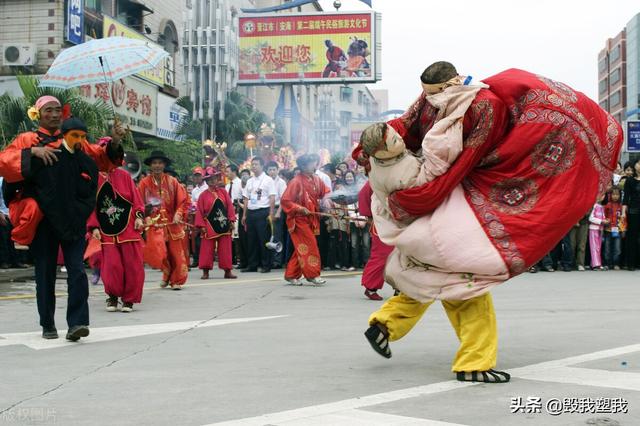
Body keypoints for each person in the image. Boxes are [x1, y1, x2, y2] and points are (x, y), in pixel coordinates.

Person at [356, 62, 622, 383]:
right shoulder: (475, 104)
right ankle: (474, 362)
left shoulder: (475, 105)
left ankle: (385, 323)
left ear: (451, 82)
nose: (430, 101)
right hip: (451, 207)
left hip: (428, 209)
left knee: (428, 274)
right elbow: (460, 160)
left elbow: (431, 143)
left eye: (435, 94)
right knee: (468, 285)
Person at [87, 146, 145, 312]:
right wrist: (93, 226)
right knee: (111, 266)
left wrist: (139, 218)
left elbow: (136, 200)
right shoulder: (93, 179)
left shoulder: (125, 176)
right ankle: (112, 296)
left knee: (132, 265)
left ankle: (129, 300)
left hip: (128, 227)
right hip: (106, 230)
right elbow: (91, 206)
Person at [138, 150, 190, 289]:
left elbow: (184, 201)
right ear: (150, 165)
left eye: (160, 163)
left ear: (164, 165)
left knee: (176, 253)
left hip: (172, 224)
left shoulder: (172, 182)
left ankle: (177, 280)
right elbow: (138, 203)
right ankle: (166, 276)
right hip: (155, 225)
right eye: (154, 163)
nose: (157, 165)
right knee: (162, 254)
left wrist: (178, 214)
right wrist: (146, 217)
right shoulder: (144, 183)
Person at [280, 154, 329, 285]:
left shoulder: (317, 180)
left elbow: (326, 193)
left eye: (314, 162)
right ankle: (313, 275)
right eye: (312, 163)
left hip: (311, 218)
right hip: (299, 219)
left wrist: (327, 201)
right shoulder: (295, 181)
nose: (314, 165)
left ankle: (291, 275)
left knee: (302, 248)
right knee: (310, 245)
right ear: (303, 166)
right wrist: (300, 208)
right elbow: (285, 201)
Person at [195, 167, 236, 280]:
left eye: (214, 178)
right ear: (206, 181)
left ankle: (228, 271)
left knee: (225, 248)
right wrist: (201, 226)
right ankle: (205, 271)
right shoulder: (203, 195)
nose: (213, 181)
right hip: (209, 224)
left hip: (223, 223)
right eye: (210, 179)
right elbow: (199, 211)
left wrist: (231, 220)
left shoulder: (223, 192)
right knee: (207, 248)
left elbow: (229, 206)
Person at [356, 180, 392, 300]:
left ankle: (400, 288)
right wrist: (369, 216)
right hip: (382, 222)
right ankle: (371, 287)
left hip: (399, 222)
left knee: (401, 255)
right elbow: (363, 195)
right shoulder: (376, 178)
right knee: (382, 255)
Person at [242, 157, 276, 273]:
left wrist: (271, 213)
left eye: (256, 164)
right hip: (251, 212)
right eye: (252, 165)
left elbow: (272, 197)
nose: (253, 167)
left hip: (263, 212)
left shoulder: (268, 180)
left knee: (263, 239)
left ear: (262, 166)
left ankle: (266, 265)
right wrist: (244, 215)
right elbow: (246, 198)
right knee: (251, 240)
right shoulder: (250, 181)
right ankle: (252, 265)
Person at [266, 161, 287, 269]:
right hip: (266, 209)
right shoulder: (266, 181)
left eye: (274, 169)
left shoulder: (281, 182)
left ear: (277, 170)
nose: (272, 172)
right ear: (267, 171)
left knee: (277, 235)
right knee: (268, 235)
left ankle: (277, 261)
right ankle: (268, 259)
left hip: (277, 209)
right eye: (270, 170)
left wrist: (278, 212)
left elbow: (283, 199)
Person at [622, 159, 640, 270]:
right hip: (633, 212)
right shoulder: (629, 181)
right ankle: (631, 263)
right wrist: (623, 212)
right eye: (639, 163)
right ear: (635, 166)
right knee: (632, 238)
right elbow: (625, 199)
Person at [603, 188, 625, 270]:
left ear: (620, 196)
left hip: (618, 230)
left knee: (617, 248)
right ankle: (607, 263)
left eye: (617, 195)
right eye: (613, 194)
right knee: (607, 248)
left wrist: (623, 230)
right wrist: (605, 221)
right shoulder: (607, 205)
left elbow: (624, 219)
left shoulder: (622, 206)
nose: (615, 196)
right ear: (610, 195)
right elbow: (603, 216)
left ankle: (616, 263)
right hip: (608, 229)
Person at [190, 166, 207, 267]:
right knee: (196, 237)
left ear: (203, 176)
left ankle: (205, 258)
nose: (197, 178)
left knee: (205, 238)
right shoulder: (194, 190)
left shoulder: (206, 188)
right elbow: (192, 203)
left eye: (198, 176)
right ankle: (196, 259)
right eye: (195, 176)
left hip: (206, 215)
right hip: (196, 215)